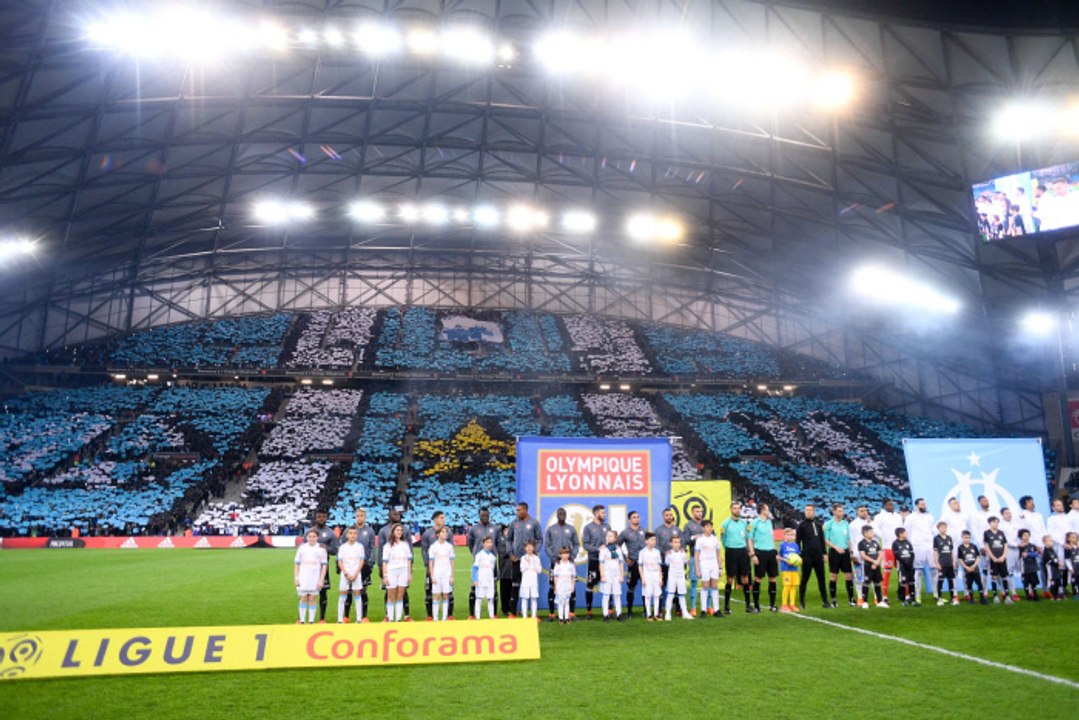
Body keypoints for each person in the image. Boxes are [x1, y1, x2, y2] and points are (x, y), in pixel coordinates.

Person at [543, 507, 580, 618]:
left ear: (566, 515)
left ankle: (571, 613)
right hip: (555, 562)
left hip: (569, 563)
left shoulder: (571, 529)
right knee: (552, 586)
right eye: (560, 514)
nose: (562, 515)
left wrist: (572, 555)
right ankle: (551, 614)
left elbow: (577, 544)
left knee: (571, 587)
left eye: (564, 513)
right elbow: (547, 545)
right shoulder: (551, 529)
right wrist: (552, 557)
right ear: (557, 515)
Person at [506, 502, 542, 615]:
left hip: (530, 561)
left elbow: (540, 539)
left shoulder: (534, 523)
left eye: (519, 510)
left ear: (525, 510)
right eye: (516, 510)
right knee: (515, 586)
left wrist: (534, 553)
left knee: (530, 587)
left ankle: (532, 613)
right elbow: (508, 539)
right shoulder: (513, 523)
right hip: (517, 560)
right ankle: (513, 613)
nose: (517, 512)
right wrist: (510, 553)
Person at [343, 508, 377, 622]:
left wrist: (371, 562)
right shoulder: (349, 530)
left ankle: (363, 616)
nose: (360, 517)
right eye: (358, 515)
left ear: (365, 517)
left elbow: (373, 547)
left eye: (362, 515)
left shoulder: (370, 531)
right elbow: (342, 547)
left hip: (364, 566)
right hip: (349, 565)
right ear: (355, 516)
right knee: (348, 591)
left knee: (363, 590)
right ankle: (346, 616)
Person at [467, 508, 501, 619]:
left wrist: (494, 553)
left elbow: (498, 543)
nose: (485, 517)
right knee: (474, 588)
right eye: (483, 515)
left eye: (487, 515)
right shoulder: (473, 529)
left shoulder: (494, 528)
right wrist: (475, 552)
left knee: (493, 588)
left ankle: (494, 614)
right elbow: (470, 544)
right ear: (479, 515)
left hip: (491, 562)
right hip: (479, 561)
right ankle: (472, 614)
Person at [305, 509, 339, 623]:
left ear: (326, 518)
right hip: (309, 568)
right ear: (316, 517)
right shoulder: (310, 532)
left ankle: (322, 618)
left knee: (323, 592)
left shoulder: (330, 533)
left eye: (323, 516)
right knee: (307, 592)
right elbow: (303, 548)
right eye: (319, 516)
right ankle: (306, 618)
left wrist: (326, 548)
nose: (321, 519)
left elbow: (335, 550)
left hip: (323, 568)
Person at [378, 508, 412, 620]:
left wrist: (409, 572)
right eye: (394, 514)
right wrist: (383, 572)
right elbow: (383, 558)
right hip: (390, 571)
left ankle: (400, 618)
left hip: (403, 571)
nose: (396, 516)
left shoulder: (405, 543)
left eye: (398, 514)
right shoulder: (386, 542)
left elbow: (409, 557)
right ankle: (389, 617)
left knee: (401, 594)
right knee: (390, 594)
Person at [721, 502, 753, 614]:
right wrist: (729, 548)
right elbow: (723, 539)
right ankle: (726, 606)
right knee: (730, 578)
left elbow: (748, 537)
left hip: (742, 551)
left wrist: (748, 550)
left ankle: (748, 606)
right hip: (731, 551)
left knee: (745, 578)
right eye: (735, 508)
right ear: (731, 510)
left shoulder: (744, 523)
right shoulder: (725, 523)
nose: (737, 510)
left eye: (739, 508)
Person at [796, 504, 829, 609]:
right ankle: (802, 602)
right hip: (807, 557)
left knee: (822, 579)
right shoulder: (801, 525)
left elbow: (822, 541)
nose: (808, 512)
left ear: (814, 512)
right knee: (804, 579)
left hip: (818, 556)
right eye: (806, 510)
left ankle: (825, 601)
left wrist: (824, 553)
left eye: (810, 510)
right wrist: (799, 554)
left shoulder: (819, 525)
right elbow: (798, 541)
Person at [748, 503, 779, 612]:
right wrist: (752, 554)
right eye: (767, 509)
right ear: (762, 511)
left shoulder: (769, 522)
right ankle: (756, 606)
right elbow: (749, 539)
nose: (769, 510)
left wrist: (775, 552)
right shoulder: (754, 523)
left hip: (771, 552)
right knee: (758, 578)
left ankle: (773, 605)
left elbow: (771, 537)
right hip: (760, 553)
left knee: (773, 578)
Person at [581, 505, 611, 619]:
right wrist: (598, 549)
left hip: (606, 562)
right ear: (596, 513)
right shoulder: (588, 527)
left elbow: (611, 540)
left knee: (608, 583)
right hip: (594, 560)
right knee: (590, 585)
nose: (605, 515)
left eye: (605, 513)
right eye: (603, 513)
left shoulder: (607, 526)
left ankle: (609, 610)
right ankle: (589, 612)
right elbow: (586, 544)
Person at [823, 504, 855, 608]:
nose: (842, 513)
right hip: (834, 552)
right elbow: (825, 540)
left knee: (848, 575)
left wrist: (851, 552)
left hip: (845, 552)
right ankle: (833, 600)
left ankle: (851, 599)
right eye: (840, 511)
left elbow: (849, 539)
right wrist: (836, 547)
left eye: (842, 511)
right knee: (833, 576)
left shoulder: (845, 524)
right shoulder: (828, 524)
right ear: (834, 512)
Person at [295, 529, 328, 624]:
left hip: (315, 577)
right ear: (307, 537)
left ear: (317, 537)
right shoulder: (302, 548)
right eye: (310, 536)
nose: (312, 538)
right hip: (303, 577)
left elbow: (324, 565)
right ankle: (302, 620)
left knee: (313, 598)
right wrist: (296, 578)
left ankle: (311, 621)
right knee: (303, 598)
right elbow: (297, 564)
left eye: (314, 536)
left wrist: (321, 579)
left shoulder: (321, 549)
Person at [618, 511, 647, 617]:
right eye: (634, 517)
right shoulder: (625, 532)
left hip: (644, 564)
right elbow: (617, 546)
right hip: (633, 564)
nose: (637, 519)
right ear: (629, 520)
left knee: (646, 587)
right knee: (631, 588)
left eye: (638, 517)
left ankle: (646, 611)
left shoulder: (644, 531)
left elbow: (651, 543)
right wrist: (625, 558)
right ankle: (629, 612)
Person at [907, 498, 936, 603]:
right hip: (917, 546)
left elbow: (932, 530)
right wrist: (912, 545)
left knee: (934, 569)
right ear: (917, 506)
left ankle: (936, 594)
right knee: (918, 571)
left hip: (929, 545)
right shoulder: (911, 518)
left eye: (925, 504)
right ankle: (917, 595)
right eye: (922, 504)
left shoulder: (930, 516)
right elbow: (907, 531)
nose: (924, 506)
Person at [420, 511, 447, 620]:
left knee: (446, 592)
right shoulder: (427, 533)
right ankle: (430, 615)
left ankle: (447, 616)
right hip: (431, 568)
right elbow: (424, 550)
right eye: (441, 517)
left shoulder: (447, 532)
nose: (443, 519)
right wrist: (427, 564)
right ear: (435, 519)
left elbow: (450, 549)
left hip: (444, 568)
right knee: (429, 591)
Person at [336, 526, 366, 623]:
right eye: (351, 533)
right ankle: (340, 619)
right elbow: (340, 561)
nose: (353, 535)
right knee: (343, 594)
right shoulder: (343, 547)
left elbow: (362, 560)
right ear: (347, 535)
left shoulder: (360, 546)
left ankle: (358, 619)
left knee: (357, 594)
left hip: (356, 573)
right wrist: (345, 572)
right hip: (345, 574)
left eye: (354, 533)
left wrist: (356, 573)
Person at [694, 519, 722, 617]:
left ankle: (717, 609)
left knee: (714, 586)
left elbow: (718, 554)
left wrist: (720, 567)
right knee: (705, 585)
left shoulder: (714, 539)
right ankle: (703, 610)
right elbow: (696, 555)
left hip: (713, 564)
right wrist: (697, 569)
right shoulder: (700, 539)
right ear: (703, 528)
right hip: (704, 564)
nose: (709, 528)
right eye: (707, 526)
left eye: (710, 526)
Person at [983, 515, 1013, 604]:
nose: (996, 524)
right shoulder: (986, 533)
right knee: (994, 576)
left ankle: (1007, 595)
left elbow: (1005, 545)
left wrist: (1003, 556)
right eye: (994, 522)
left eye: (997, 522)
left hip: (1002, 558)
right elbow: (986, 546)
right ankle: (995, 596)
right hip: (993, 559)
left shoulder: (1001, 533)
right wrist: (993, 557)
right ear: (989, 523)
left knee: (1004, 576)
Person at [874, 500, 901, 597]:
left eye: (893, 504)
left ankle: (902, 594)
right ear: (884, 505)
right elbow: (875, 528)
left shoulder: (898, 516)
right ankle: (884, 595)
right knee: (887, 571)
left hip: (899, 547)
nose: (892, 506)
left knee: (901, 571)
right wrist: (883, 536)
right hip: (887, 547)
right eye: (890, 504)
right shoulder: (879, 517)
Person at [428, 525, 455, 622]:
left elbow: (452, 562)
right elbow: (431, 563)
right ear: (438, 534)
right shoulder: (433, 547)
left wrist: (452, 575)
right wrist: (432, 576)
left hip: (446, 574)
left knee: (446, 595)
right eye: (443, 532)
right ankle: (435, 618)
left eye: (446, 532)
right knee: (436, 596)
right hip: (437, 574)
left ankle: (444, 618)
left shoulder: (449, 546)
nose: (445, 534)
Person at [682, 504, 705, 615]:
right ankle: (693, 608)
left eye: (700, 511)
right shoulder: (688, 525)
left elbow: (713, 537)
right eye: (697, 511)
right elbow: (684, 540)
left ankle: (708, 607)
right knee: (694, 581)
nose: (699, 513)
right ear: (692, 513)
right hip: (694, 557)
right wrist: (693, 538)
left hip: (706, 558)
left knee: (708, 582)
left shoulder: (706, 524)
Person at [847, 505, 872, 607]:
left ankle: (876, 598)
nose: (864, 512)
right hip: (858, 553)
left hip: (871, 553)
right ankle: (860, 598)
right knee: (858, 577)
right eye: (861, 511)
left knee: (872, 576)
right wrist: (852, 553)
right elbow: (851, 539)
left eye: (865, 510)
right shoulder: (853, 524)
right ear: (857, 512)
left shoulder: (870, 523)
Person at [599, 529, 625, 622]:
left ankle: (619, 613)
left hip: (616, 575)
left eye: (611, 536)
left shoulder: (618, 549)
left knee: (617, 595)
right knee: (606, 595)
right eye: (607, 536)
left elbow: (621, 563)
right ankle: (605, 615)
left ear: (615, 538)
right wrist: (602, 575)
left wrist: (621, 575)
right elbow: (601, 563)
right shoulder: (603, 550)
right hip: (607, 575)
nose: (608, 537)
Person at [664, 536, 693, 621]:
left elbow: (685, 562)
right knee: (670, 595)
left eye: (678, 542)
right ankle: (668, 613)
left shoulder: (683, 553)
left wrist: (689, 560)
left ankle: (685, 613)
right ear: (671, 543)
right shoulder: (668, 554)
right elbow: (666, 564)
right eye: (675, 542)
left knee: (682, 595)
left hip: (681, 576)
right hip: (672, 576)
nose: (677, 544)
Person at [857, 525, 886, 608]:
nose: (873, 534)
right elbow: (863, 555)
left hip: (876, 566)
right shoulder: (861, 543)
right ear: (865, 533)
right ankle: (865, 602)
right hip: (867, 566)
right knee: (866, 583)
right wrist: (873, 561)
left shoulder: (875, 543)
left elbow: (880, 553)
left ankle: (879, 601)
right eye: (871, 532)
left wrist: (877, 562)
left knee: (877, 583)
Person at [957, 530, 987, 605]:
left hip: (975, 569)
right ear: (962, 538)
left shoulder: (974, 546)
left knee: (979, 583)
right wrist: (966, 567)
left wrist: (974, 566)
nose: (967, 539)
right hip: (967, 569)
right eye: (966, 537)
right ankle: (971, 598)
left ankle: (982, 598)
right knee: (969, 584)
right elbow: (960, 559)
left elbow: (978, 557)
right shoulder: (960, 548)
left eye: (969, 538)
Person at [472, 535, 499, 619]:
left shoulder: (493, 557)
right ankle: (478, 618)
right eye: (487, 542)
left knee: (490, 599)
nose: (489, 544)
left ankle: (491, 617)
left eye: (491, 542)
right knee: (479, 599)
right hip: (480, 580)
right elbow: (475, 568)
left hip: (489, 581)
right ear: (483, 544)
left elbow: (493, 570)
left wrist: (494, 579)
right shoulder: (479, 555)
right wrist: (475, 579)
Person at [933, 521, 959, 606]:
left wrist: (953, 561)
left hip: (949, 563)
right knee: (940, 581)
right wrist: (937, 563)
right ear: (938, 528)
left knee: (951, 580)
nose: (944, 529)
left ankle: (952, 598)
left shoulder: (949, 538)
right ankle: (939, 598)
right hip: (942, 563)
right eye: (942, 527)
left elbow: (952, 551)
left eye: (945, 527)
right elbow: (935, 552)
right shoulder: (936, 538)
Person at [639, 531, 663, 622]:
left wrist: (660, 577)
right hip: (647, 576)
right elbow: (640, 566)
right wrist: (642, 578)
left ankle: (656, 614)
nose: (654, 542)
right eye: (652, 540)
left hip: (656, 576)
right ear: (646, 541)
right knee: (647, 595)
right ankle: (649, 614)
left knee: (657, 595)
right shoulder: (642, 552)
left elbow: (659, 565)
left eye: (655, 540)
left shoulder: (657, 552)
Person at [892, 527, 917, 606]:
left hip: (910, 565)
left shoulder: (908, 542)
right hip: (902, 566)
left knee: (911, 581)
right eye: (905, 532)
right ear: (900, 534)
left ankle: (913, 599)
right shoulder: (895, 543)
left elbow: (912, 553)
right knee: (903, 582)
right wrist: (904, 563)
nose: (906, 534)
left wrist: (910, 562)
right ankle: (903, 600)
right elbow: (897, 555)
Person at [778, 528, 801, 613]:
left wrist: (799, 561)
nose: (789, 536)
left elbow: (798, 557)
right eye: (787, 535)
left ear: (794, 536)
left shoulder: (796, 546)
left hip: (794, 569)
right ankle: (784, 605)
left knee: (793, 586)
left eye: (791, 535)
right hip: (786, 569)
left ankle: (792, 604)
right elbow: (777, 556)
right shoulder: (782, 545)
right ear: (784, 536)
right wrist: (786, 560)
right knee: (787, 586)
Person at [552, 547, 576, 625]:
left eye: (566, 553)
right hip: (560, 586)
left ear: (569, 554)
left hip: (568, 586)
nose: (565, 555)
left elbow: (573, 577)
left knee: (567, 602)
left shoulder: (571, 564)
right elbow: (555, 577)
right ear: (560, 555)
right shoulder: (558, 564)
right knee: (560, 603)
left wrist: (572, 587)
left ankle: (567, 617)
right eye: (563, 553)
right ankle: (561, 618)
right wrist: (556, 587)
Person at [519, 540, 542, 620]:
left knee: (534, 598)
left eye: (531, 547)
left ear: (533, 548)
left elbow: (539, 570)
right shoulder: (523, 558)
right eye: (527, 547)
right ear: (525, 548)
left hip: (534, 581)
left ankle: (533, 616)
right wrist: (527, 563)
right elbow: (522, 569)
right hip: (525, 581)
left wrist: (533, 563)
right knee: (524, 598)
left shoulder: (536, 558)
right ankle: (524, 616)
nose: (529, 548)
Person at [1018, 530, 1041, 601]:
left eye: (1028, 535)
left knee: (1034, 582)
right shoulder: (1020, 546)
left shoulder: (1032, 545)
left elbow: (1037, 553)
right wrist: (1031, 554)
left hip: (1033, 566)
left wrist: (1029, 554)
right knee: (1026, 582)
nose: (1026, 537)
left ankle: (1035, 594)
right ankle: (1027, 595)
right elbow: (1022, 555)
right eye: (1024, 535)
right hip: (1025, 567)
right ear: (1021, 537)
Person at [1041, 535, 1063, 600]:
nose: (1052, 542)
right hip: (1050, 569)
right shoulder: (1046, 551)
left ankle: (1057, 595)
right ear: (1045, 542)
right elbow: (1049, 560)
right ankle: (1053, 596)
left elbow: (1055, 558)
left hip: (1056, 569)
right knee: (1052, 582)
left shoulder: (1052, 550)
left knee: (1057, 582)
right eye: (1050, 541)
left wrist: (1059, 562)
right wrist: (1057, 563)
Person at [1064, 532, 1078, 599]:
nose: (1074, 538)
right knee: (1074, 580)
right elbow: (1067, 559)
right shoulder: (1067, 548)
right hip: (1073, 567)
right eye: (1072, 537)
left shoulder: (1077, 547)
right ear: (1068, 538)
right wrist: (1070, 568)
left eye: (1075, 537)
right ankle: (1075, 593)